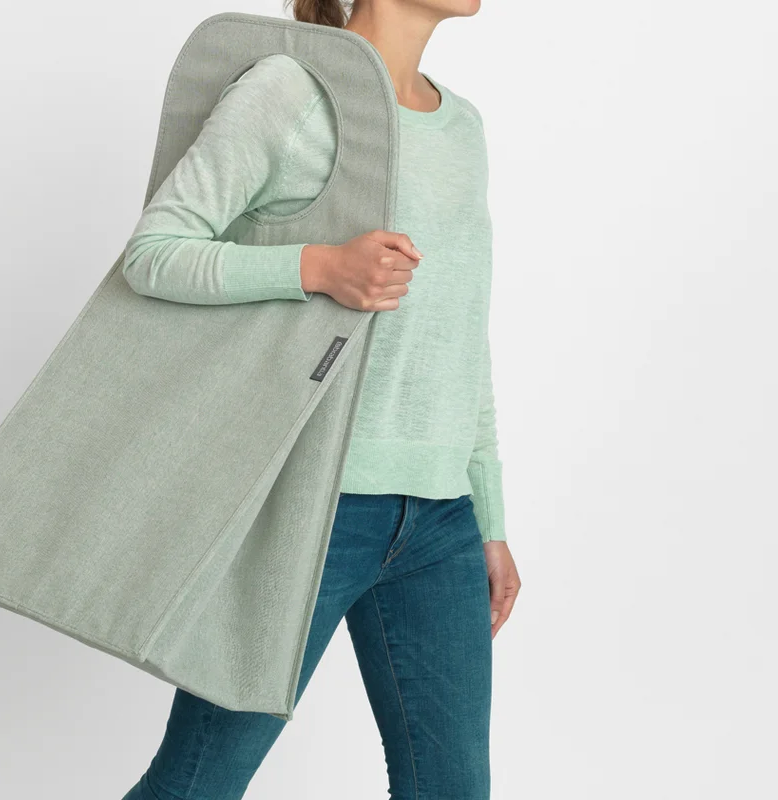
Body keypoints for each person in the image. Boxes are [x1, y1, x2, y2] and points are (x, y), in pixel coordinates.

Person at [120, 1, 520, 797]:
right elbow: (154, 252)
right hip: (308, 506)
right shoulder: (290, 91)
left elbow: (460, 333)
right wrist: (318, 267)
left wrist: (489, 517)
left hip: (441, 520)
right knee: (197, 785)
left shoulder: (462, 127)